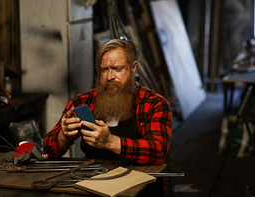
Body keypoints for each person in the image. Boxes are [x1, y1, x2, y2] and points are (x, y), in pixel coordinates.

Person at [43, 39, 172, 165]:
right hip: (97, 180)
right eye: (104, 70)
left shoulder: (154, 103)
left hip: (143, 182)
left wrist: (110, 142)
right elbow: (48, 150)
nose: (109, 77)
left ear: (133, 67)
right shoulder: (83, 102)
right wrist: (63, 137)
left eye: (117, 69)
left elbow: (158, 151)